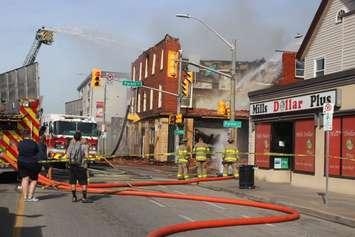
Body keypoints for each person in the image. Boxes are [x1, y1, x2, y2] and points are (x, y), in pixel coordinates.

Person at [17, 130, 41, 202]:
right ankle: (30, 196)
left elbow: (19, 150)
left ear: (23, 136)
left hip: (22, 162)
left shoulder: (20, 144)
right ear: (29, 135)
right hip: (32, 163)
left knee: (25, 179)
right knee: (34, 180)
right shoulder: (34, 143)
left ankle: (25, 197)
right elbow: (37, 152)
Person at [67, 131, 89, 203]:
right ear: (80, 138)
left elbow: (68, 155)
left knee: (73, 182)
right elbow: (86, 156)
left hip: (72, 166)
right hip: (81, 166)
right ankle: (84, 198)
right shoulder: (84, 145)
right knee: (83, 183)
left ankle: (74, 197)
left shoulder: (71, 144)